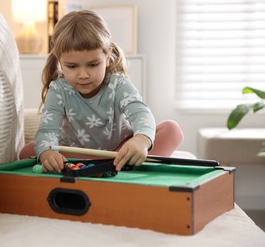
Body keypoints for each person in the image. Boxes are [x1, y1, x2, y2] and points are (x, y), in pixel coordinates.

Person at [20, 10, 183, 173]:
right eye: (72, 66)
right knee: (29, 151)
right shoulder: (58, 90)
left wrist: (142, 140)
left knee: (172, 130)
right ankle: (116, 168)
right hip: (76, 154)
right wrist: (47, 153)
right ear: (59, 60)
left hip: (120, 152)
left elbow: (140, 112)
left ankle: (116, 163)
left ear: (107, 56)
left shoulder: (118, 84)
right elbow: (48, 131)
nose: (83, 75)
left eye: (93, 65)